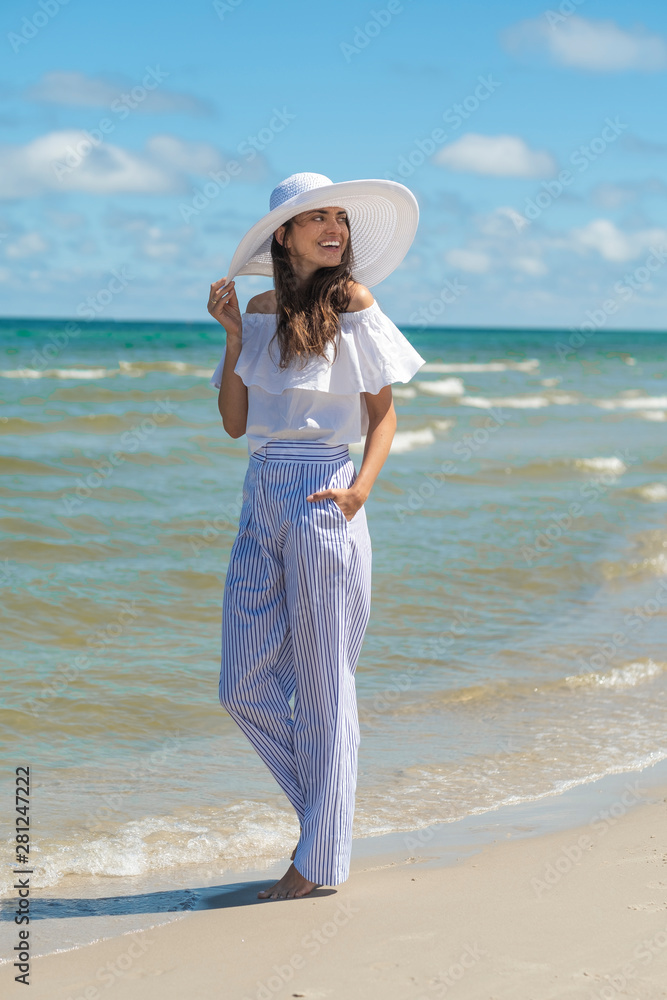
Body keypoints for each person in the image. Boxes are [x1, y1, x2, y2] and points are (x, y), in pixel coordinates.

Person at [207, 172, 425, 900]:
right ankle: (324, 819)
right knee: (241, 684)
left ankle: (317, 858)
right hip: (260, 489)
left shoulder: (353, 303)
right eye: (317, 219)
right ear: (283, 235)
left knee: (327, 686)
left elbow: (383, 413)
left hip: (325, 492)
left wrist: (359, 491)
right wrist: (236, 336)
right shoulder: (261, 310)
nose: (334, 229)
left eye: (340, 219)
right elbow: (236, 423)